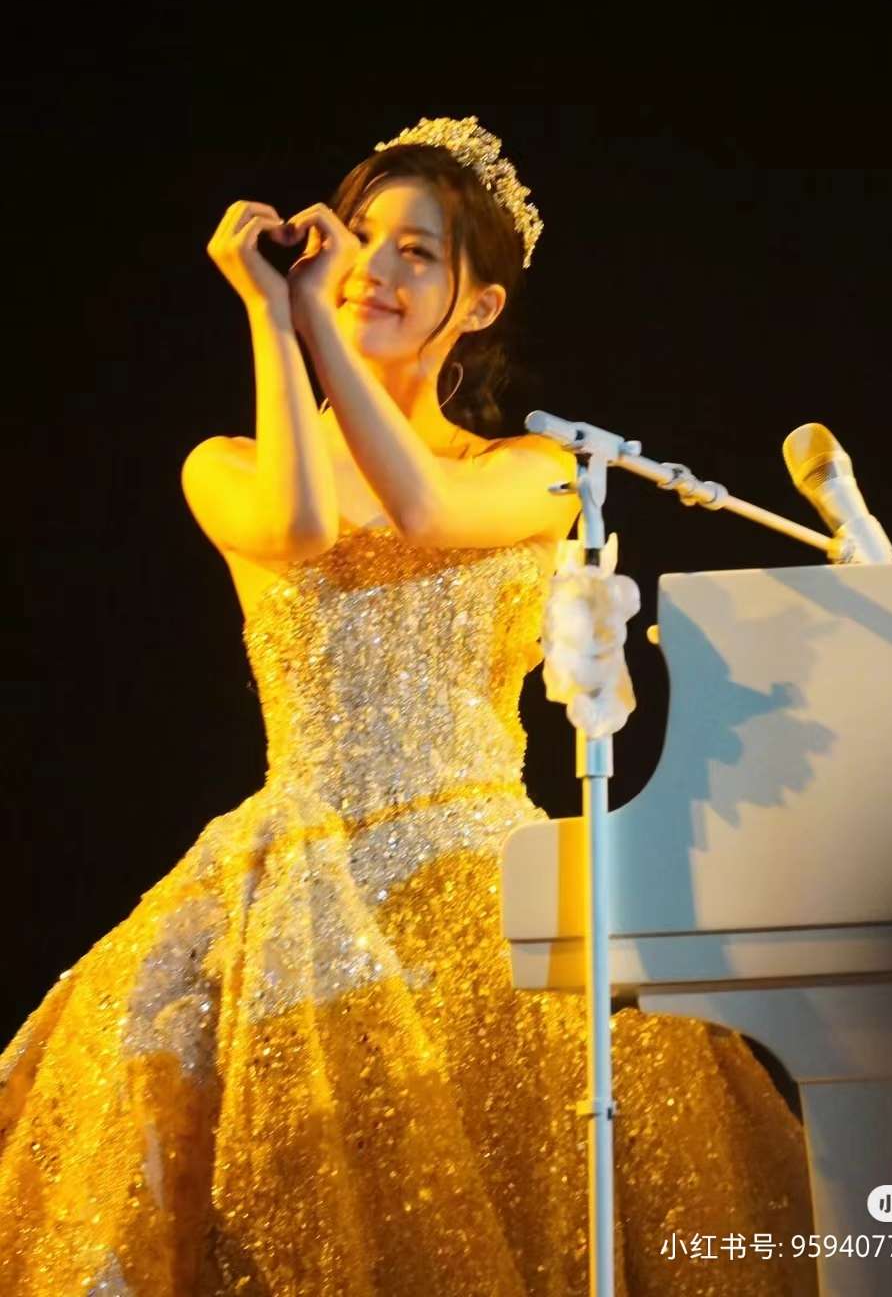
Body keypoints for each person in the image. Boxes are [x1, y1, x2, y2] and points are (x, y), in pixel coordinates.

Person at [0, 117, 817, 1294]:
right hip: (300, 889)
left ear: (478, 306)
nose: (371, 268)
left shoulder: (535, 469)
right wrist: (273, 314)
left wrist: (314, 331)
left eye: (416, 254)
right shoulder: (225, 464)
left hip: (489, 880)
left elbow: (425, 509)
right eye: (359, 236)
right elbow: (297, 527)